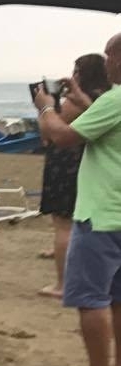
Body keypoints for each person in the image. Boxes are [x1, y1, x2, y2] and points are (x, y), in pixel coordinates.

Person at [33, 32, 121, 366]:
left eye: (109, 55)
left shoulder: (116, 99)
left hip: (102, 214)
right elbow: (107, 128)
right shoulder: (111, 103)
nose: (105, 62)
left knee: (92, 299)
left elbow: (62, 135)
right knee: (118, 299)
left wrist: (44, 107)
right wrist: (84, 101)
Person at [38, 54, 112, 298]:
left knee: (63, 223)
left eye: (76, 71)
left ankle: (62, 284)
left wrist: (46, 107)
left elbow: (51, 133)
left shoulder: (78, 101)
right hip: (89, 163)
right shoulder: (106, 97)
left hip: (67, 162)